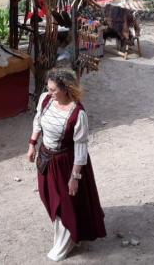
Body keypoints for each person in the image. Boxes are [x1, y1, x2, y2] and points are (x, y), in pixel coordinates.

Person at [27, 69, 106, 261]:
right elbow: (38, 121)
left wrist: (75, 177)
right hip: (45, 159)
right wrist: (32, 144)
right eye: (48, 88)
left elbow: (81, 147)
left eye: (53, 89)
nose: (49, 92)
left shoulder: (77, 114)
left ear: (65, 89)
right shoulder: (45, 100)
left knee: (65, 204)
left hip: (66, 164)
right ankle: (62, 235)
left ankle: (66, 241)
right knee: (48, 196)